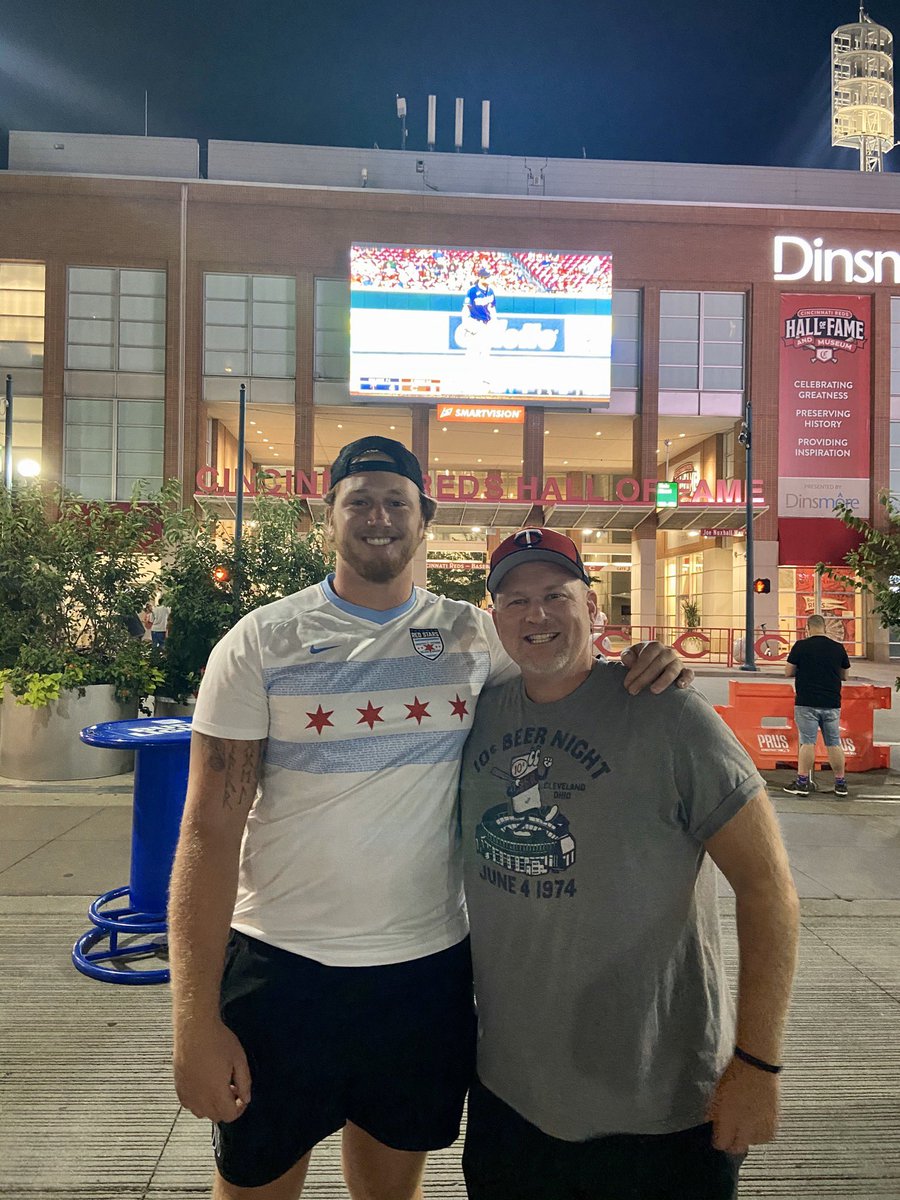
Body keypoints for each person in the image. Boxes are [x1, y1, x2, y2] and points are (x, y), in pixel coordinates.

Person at [167, 437, 689, 1200]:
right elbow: (208, 831)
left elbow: (563, 678)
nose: (378, 518)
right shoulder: (261, 642)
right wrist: (192, 1021)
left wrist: (646, 666)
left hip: (424, 975)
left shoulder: (473, 636)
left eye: (395, 503)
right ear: (328, 515)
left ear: (424, 518)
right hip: (283, 971)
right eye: (360, 501)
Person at [459, 527, 800, 1200]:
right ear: (493, 618)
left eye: (556, 595)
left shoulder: (670, 714)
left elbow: (768, 891)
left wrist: (758, 1065)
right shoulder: (476, 716)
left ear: (593, 610)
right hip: (508, 1096)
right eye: (516, 600)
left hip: (661, 1106)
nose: (537, 615)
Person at [783, 612, 851, 797]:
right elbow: (845, 675)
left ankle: (802, 783)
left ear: (808, 628)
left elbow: (788, 671)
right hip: (831, 702)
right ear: (824, 627)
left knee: (807, 742)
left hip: (807, 702)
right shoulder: (838, 648)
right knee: (834, 743)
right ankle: (840, 783)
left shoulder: (801, 646)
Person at [459, 265, 497, 391]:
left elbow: (492, 307)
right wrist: (467, 325)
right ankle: (466, 380)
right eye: (487, 277)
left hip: (486, 324)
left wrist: (494, 322)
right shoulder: (472, 291)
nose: (489, 279)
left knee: (485, 353)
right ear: (480, 277)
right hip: (475, 323)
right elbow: (466, 309)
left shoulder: (491, 291)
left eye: (489, 276)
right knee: (472, 352)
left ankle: (485, 379)